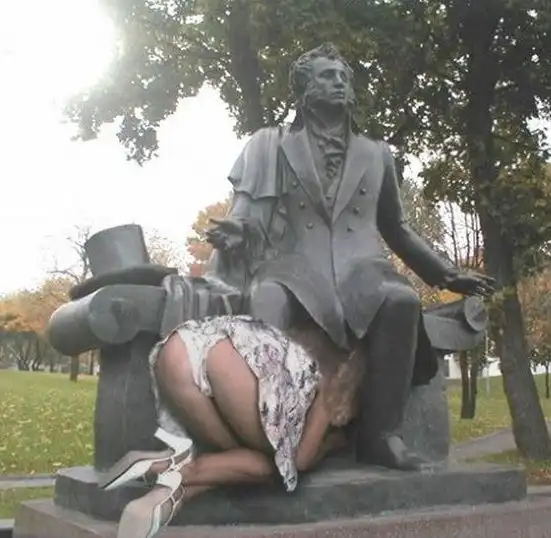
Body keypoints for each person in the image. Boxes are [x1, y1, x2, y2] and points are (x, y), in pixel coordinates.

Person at [205, 42, 495, 471]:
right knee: (266, 297)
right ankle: (270, 429)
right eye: (327, 76)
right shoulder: (271, 146)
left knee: (401, 300)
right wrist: (236, 229)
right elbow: (248, 213)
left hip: (362, 268)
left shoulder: (376, 155)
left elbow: (397, 228)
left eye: (344, 77)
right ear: (304, 90)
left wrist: (447, 275)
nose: (339, 83)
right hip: (294, 265)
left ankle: (381, 436)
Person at [99, 315, 359, 538]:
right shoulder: (334, 379)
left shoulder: (285, 343)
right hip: (231, 361)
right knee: (279, 468)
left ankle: (172, 485)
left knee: (249, 458)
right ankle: (182, 471)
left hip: (184, 345)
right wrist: (333, 443)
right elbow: (301, 460)